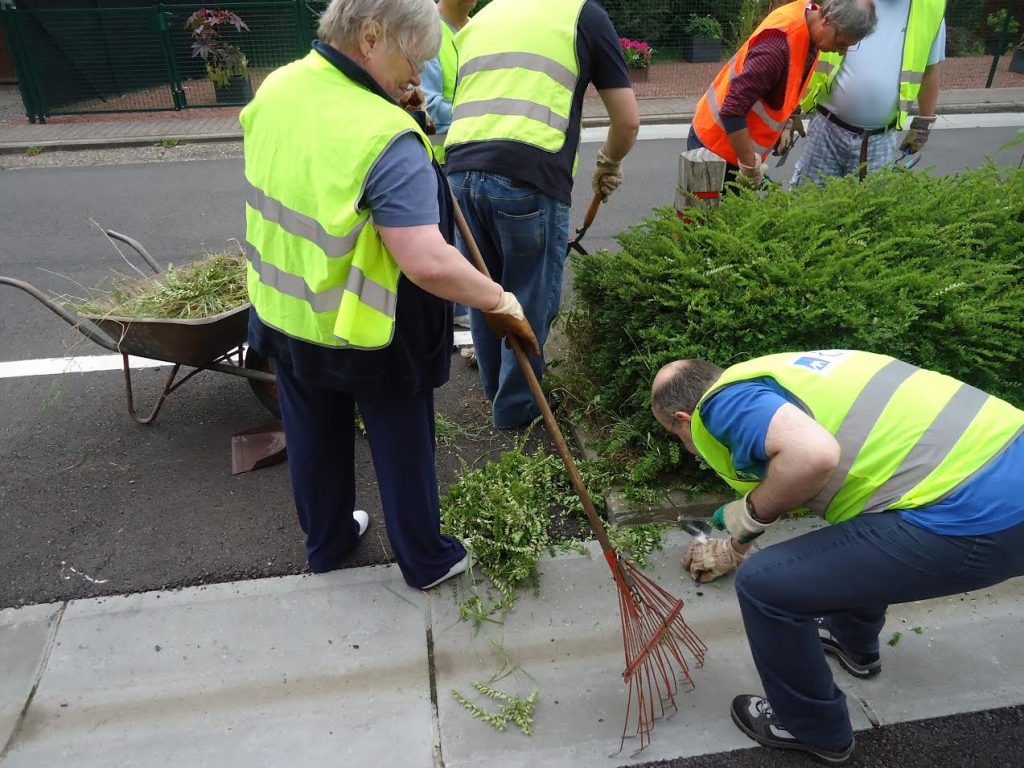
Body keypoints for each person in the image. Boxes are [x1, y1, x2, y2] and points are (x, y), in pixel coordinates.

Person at [240, 0, 539, 591]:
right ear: (372, 36)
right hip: (370, 323)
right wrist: (497, 299)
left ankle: (327, 542)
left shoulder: (277, 88)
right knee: (403, 445)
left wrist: (394, 103)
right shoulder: (385, 136)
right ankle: (426, 560)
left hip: (287, 307)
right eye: (415, 58)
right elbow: (426, 261)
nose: (418, 74)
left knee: (313, 435)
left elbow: (315, 164)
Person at [651, 350, 1024, 764]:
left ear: (683, 419)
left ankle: (812, 728)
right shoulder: (788, 372)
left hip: (977, 517)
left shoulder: (720, 404)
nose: (686, 446)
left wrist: (747, 522)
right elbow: (824, 462)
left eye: (676, 435)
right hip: (1003, 468)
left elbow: (811, 456)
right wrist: (742, 527)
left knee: (764, 586)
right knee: (856, 533)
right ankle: (853, 645)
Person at [443, 0, 640, 430]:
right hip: (527, 177)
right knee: (529, 296)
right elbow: (626, 122)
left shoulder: (491, 13)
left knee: (485, 290)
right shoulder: (584, 16)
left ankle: (498, 395)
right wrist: (609, 162)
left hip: (458, 173)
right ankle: (517, 412)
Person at [687, 0, 877, 190]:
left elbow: (787, 84)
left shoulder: (811, 24)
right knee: (708, 217)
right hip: (715, 148)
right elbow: (732, 110)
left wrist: (788, 121)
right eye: (840, 43)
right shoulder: (776, 49)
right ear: (828, 19)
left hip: (735, 148)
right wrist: (749, 167)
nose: (841, 52)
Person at [793, 0, 946, 184]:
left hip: (878, 140)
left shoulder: (931, 7)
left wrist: (923, 125)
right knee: (808, 203)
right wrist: (791, 111)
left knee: (869, 210)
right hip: (827, 129)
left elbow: (931, 70)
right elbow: (805, 41)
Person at [421, 0, 479, 354]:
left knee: (468, 237)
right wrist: (480, 109)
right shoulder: (431, 31)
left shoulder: (478, 27)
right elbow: (427, 103)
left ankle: (466, 310)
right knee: (450, 238)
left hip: (473, 154)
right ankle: (459, 314)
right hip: (441, 158)